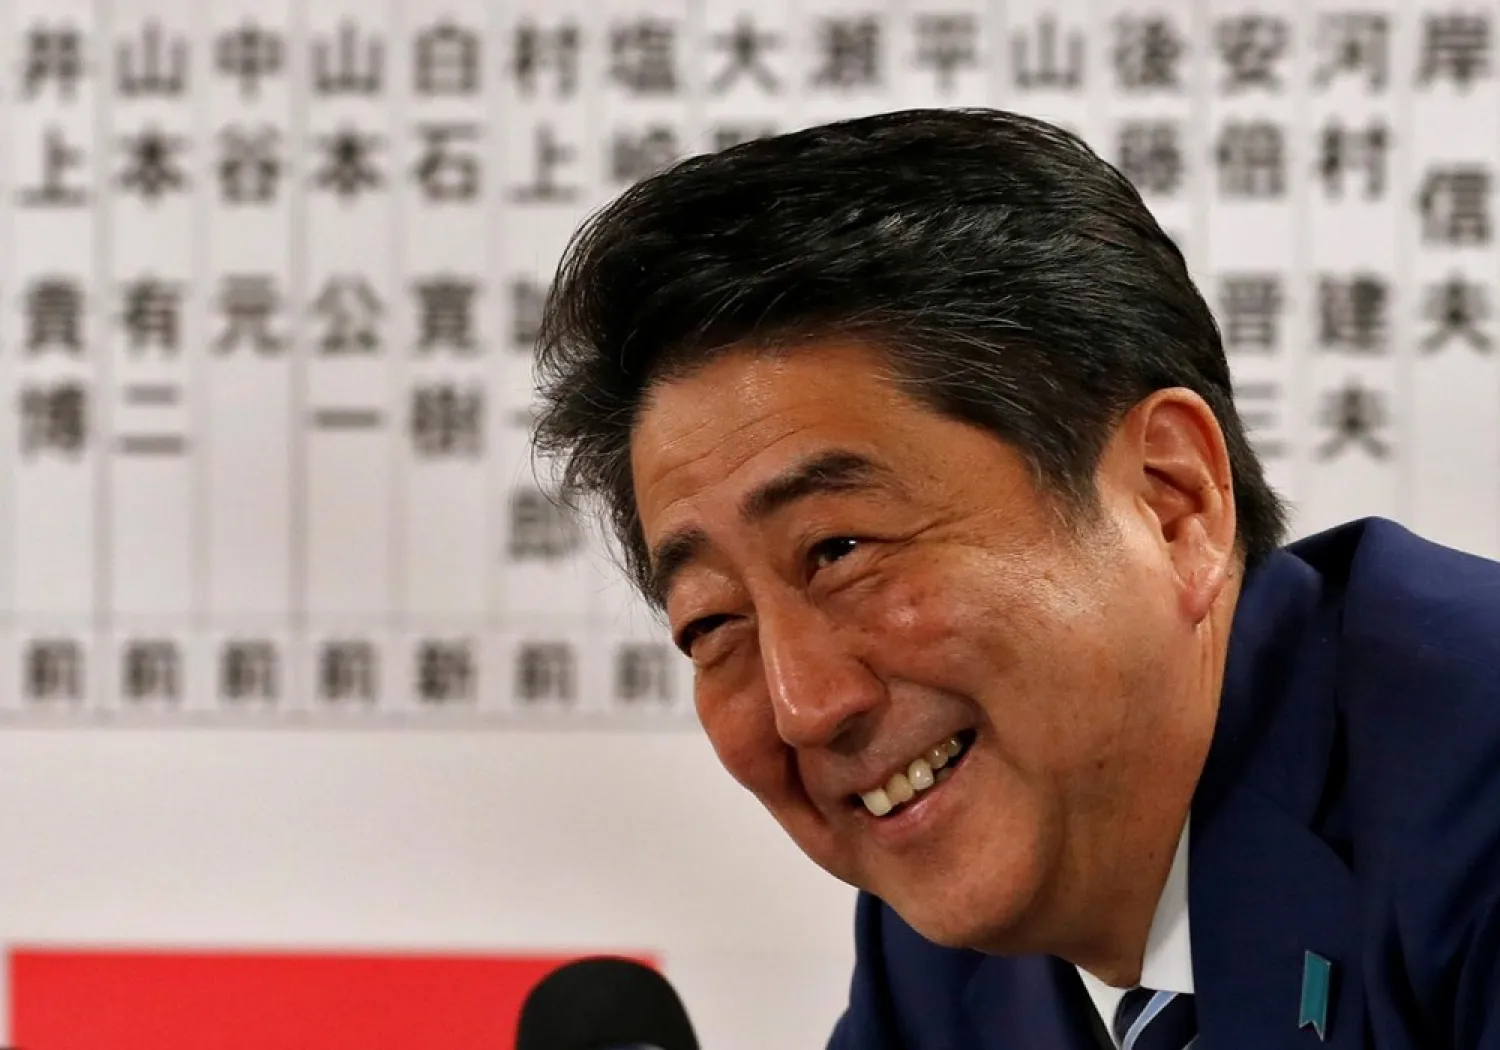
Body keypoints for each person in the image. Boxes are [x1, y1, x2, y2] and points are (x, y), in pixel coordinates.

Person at [529, 108, 1500, 1049]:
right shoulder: (952, 932)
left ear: (1171, 502)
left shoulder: (1469, 789)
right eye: (712, 625)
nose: (804, 705)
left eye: (840, 553)